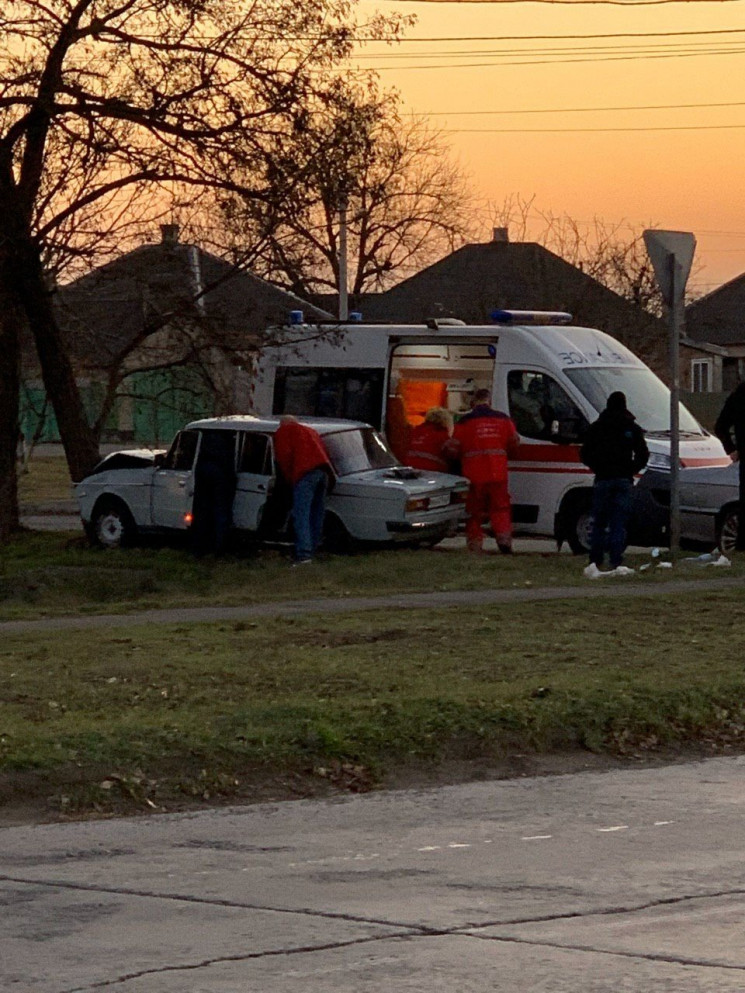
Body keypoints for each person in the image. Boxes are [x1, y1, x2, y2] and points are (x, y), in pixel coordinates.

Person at [580, 391, 649, 578]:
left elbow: (585, 453)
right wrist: (632, 469)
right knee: (619, 521)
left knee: (599, 521)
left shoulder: (597, 427)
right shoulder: (631, 427)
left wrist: (596, 467)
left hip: (603, 478)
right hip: (623, 479)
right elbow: (643, 453)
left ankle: (595, 559)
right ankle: (616, 558)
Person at [445, 388, 520, 554]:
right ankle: (504, 542)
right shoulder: (503, 419)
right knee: (500, 508)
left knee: (474, 512)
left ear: (473, 402)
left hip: (474, 474)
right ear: (489, 401)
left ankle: (475, 545)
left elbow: (453, 449)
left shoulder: (465, 422)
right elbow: (514, 442)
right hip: (498, 472)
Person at [273, 415, 334, 564]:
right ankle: (313, 548)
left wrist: (289, 479)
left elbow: (284, 457)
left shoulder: (285, 432)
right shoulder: (311, 431)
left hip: (304, 473)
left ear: (283, 424)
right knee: (317, 513)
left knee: (302, 514)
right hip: (323, 472)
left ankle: (304, 554)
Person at [191, 430, 237, 557]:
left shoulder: (204, 453)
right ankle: (220, 548)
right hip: (220, 484)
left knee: (202, 515)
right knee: (221, 515)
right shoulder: (225, 452)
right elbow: (230, 474)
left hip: (205, 486)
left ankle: (200, 548)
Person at [714, 381, 745, 551]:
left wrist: (732, 449)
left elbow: (721, 426)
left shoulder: (739, 392)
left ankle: (741, 547)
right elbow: (721, 426)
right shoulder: (740, 393)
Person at [405, 407, 454, 472]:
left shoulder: (415, 431)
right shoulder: (443, 436)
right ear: (446, 422)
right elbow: (453, 455)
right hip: (433, 472)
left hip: (410, 470)